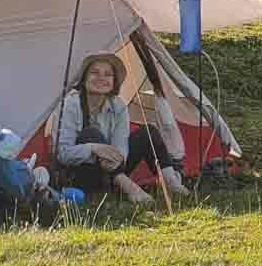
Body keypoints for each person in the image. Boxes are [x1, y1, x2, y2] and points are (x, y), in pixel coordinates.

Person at [55, 52, 190, 204]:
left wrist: (115, 158)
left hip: (111, 169)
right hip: (82, 174)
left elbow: (121, 147)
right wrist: (93, 148)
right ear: (84, 78)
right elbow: (63, 154)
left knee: (149, 132)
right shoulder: (70, 104)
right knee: (91, 134)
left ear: (114, 82)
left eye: (108, 74)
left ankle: (172, 183)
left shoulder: (118, 105)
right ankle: (130, 188)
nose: (101, 78)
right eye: (94, 72)